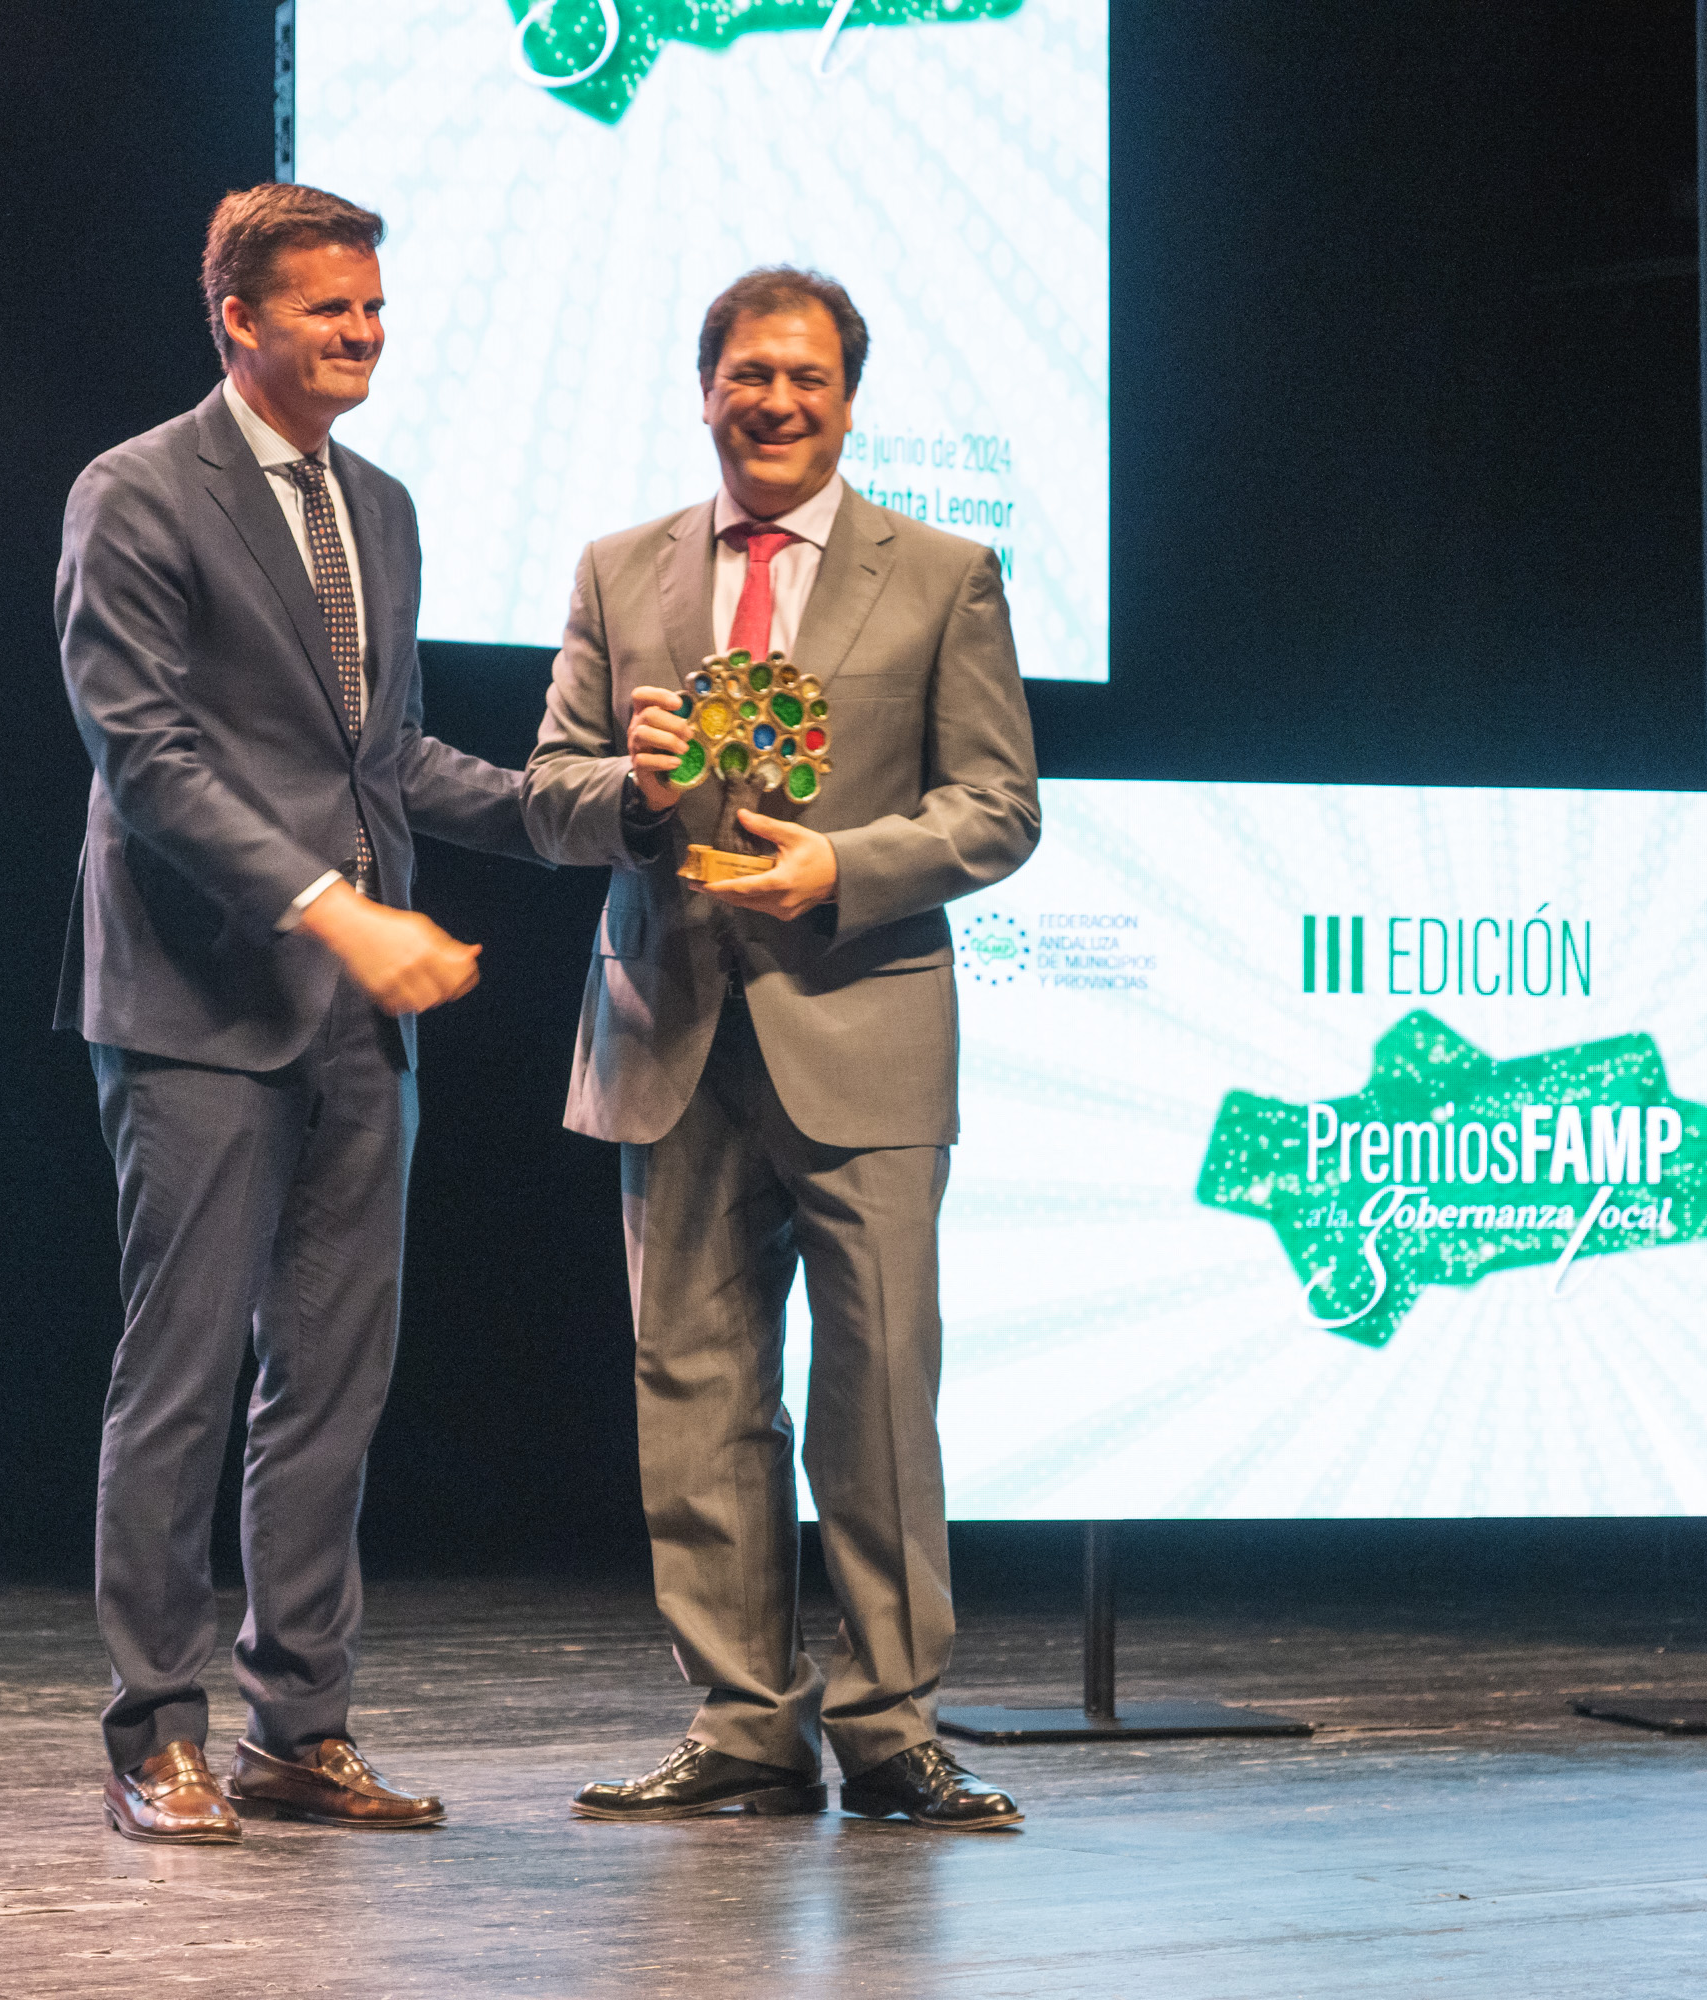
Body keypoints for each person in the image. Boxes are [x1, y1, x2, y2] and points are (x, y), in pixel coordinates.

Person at [523, 266, 1041, 1830]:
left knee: (877, 1389)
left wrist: (844, 867)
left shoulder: (942, 573)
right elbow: (547, 788)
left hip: (862, 1026)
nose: (776, 401)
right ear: (707, 390)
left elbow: (997, 807)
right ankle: (745, 1727)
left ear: (849, 402)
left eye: (808, 378)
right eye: (750, 373)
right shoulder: (620, 568)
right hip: (667, 1027)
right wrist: (628, 789)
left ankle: (891, 1728)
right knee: (694, 1386)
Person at [54, 183, 536, 1844]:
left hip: (354, 1018)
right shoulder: (137, 490)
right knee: (182, 1375)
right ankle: (154, 1731)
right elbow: (147, 755)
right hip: (201, 998)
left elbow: (386, 758)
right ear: (238, 319)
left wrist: (601, 806)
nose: (364, 333)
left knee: (331, 1382)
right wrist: (336, 909)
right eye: (331, 308)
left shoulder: (378, 506)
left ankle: (299, 1729)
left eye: (375, 308)